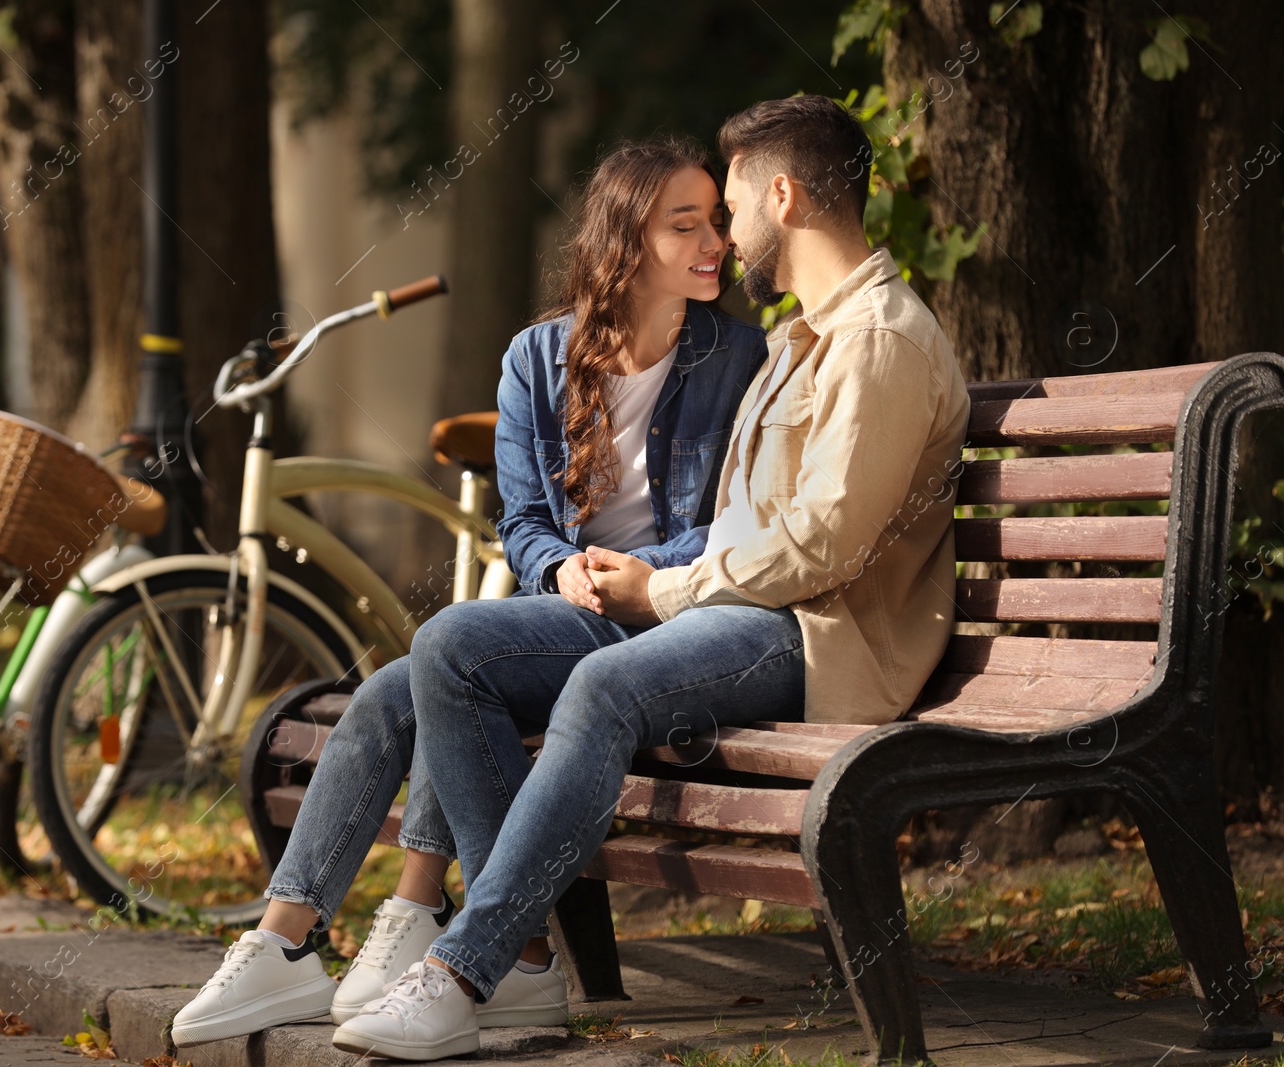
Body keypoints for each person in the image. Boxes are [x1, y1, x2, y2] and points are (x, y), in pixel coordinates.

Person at [327, 95, 972, 1061]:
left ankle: (465, 969)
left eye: (737, 206)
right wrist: (645, 586)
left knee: (600, 683)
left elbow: (824, 546)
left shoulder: (874, 339)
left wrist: (659, 590)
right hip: (744, 609)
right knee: (453, 651)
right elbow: (752, 527)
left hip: (817, 634)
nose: (728, 232)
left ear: (785, 196)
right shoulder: (806, 336)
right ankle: (516, 958)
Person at [170, 136, 767, 1049]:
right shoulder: (536, 358)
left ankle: (480, 947)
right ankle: (289, 936)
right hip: (565, 609)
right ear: (624, 240)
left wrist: (646, 575)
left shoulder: (738, 353)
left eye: (716, 221)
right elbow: (520, 517)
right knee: (399, 684)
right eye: (684, 224)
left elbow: (737, 514)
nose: (714, 241)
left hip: (666, 617)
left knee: (444, 651)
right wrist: (559, 568)